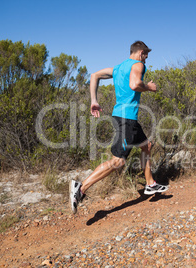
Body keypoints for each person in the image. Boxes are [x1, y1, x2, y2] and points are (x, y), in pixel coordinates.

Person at [70, 41, 168, 214]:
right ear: (141, 52)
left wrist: (94, 100)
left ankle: (150, 184)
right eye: (146, 55)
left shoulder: (118, 68)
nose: (146, 59)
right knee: (118, 161)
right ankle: (81, 188)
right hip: (126, 119)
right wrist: (150, 88)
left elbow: (94, 75)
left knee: (146, 145)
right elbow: (135, 85)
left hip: (126, 118)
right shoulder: (138, 65)